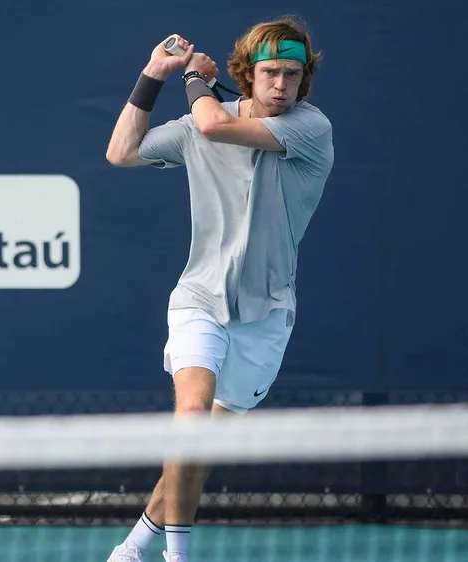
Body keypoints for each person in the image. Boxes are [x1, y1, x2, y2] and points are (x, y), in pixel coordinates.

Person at [103, 16, 334, 562]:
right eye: (270, 72)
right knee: (191, 416)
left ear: (305, 81)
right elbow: (120, 151)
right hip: (199, 299)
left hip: (268, 313)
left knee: (201, 449)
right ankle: (177, 556)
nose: (281, 85)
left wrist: (194, 79)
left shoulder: (310, 128)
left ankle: (132, 548)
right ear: (247, 75)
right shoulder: (197, 123)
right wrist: (153, 75)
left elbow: (212, 126)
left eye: (293, 74)